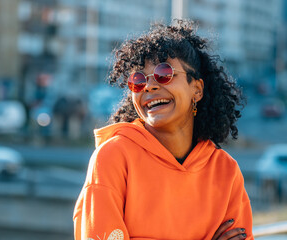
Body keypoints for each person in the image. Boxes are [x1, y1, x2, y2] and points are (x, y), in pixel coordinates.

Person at [73, 20, 254, 240]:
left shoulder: (226, 171)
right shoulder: (113, 157)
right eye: (138, 80)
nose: (149, 86)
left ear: (196, 89)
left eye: (164, 73)